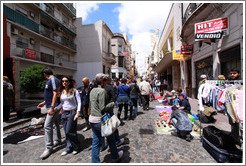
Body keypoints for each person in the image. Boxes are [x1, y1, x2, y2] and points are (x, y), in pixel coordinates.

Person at [89, 73, 123, 163]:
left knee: (95, 142)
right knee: (111, 140)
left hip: (92, 119)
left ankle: (95, 161)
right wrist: (111, 104)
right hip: (100, 120)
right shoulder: (102, 91)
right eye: (105, 81)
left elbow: (91, 105)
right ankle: (115, 157)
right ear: (103, 81)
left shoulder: (92, 90)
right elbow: (102, 108)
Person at [37, 68, 62, 159]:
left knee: (47, 126)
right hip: (51, 106)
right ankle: (58, 140)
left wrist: (52, 107)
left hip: (54, 107)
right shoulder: (52, 80)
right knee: (55, 124)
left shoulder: (53, 80)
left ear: (44, 74)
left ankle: (49, 148)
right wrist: (44, 102)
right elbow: (51, 94)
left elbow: (55, 93)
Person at [55, 76, 81, 156]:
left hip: (72, 113)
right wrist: (56, 108)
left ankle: (76, 147)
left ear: (69, 82)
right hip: (64, 113)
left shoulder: (74, 91)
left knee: (69, 131)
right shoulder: (62, 91)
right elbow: (62, 103)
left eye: (66, 81)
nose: (64, 82)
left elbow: (79, 102)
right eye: (63, 81)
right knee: (66, 132)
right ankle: (68, 147)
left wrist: (77, 113)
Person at [228, 69, 241, 145]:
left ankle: (239, 138)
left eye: (234, 73)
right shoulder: (229, 82)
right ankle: (234, 136)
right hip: (231, 105)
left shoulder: (241, 82)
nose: (232, 75)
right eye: (231, 73)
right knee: (232, 121)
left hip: (239, 105)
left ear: (238, 74)